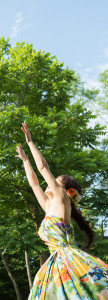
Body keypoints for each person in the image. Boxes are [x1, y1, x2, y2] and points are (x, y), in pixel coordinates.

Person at [15, 121, 108, 299]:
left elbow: (43, 168)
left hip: (69, 259)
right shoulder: (49, 205)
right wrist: (25, 161)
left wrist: (30, 143)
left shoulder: (61, 198)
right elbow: (34, 183)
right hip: (55, 263)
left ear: (65, 190)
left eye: (55, 181)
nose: (50, 183)